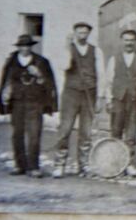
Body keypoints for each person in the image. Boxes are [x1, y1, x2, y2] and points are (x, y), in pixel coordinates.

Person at [0, 35, 58, 178]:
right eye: (22, 46)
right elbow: (6, 81)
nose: (25, 49)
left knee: (34, 135)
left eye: (28, 46)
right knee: (17, 134)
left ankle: (33, 167)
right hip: (17, 103)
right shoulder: (11, 62)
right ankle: (20, 165)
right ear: (18, 47)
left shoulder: (41, 62)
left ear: (31, 47)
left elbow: (49, 84)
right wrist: (5, 93)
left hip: (35, 103)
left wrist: (39, 74)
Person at [53, 21, 106, 178]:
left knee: (86, 131)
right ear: (75, 33)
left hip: (89, 94)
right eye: (79, 32)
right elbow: (64, 66)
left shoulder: (96, 51)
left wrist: (101, 97)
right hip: (71, 94)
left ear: (89, 34)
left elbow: (101, 75)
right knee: (65, 129)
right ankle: (59, 164)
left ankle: (84, 165)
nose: (82, 34)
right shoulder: (68, 49)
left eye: (85, 32)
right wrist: (67, 47)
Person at [104, 29, 136, 176]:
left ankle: (129, 163)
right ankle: (115, 163)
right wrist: (108, 100)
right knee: (116, 131)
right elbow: (108, 82)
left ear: (135, 42)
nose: (129, 43)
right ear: (122, 41)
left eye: (132, 40)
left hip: (135, 100)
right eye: (126, 40)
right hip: (118, 100)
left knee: (131, 133)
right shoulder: (114, 59)